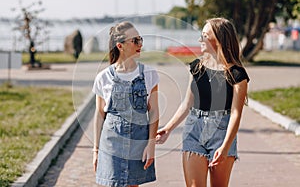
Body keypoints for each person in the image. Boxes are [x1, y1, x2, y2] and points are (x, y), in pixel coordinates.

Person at [156, 17, 250, 187]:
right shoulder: (196, 67)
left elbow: (236, 114)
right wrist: (168, 129)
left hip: (222, 133)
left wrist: (225, 146)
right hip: (194, 130)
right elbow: (187, 103)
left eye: (205, 36)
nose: (200, 39)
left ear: (219, 40)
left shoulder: (237, 75)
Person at [92, 21, 159, 187]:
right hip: (111, 143)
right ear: (120, 46)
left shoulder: (149, 74)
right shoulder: (103, 77)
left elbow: (154, 112)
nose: (140, 44)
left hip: (138, 142)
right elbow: (100, 115)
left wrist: (151, 144)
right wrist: (96, 150)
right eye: (135, 41)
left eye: (140, 39)